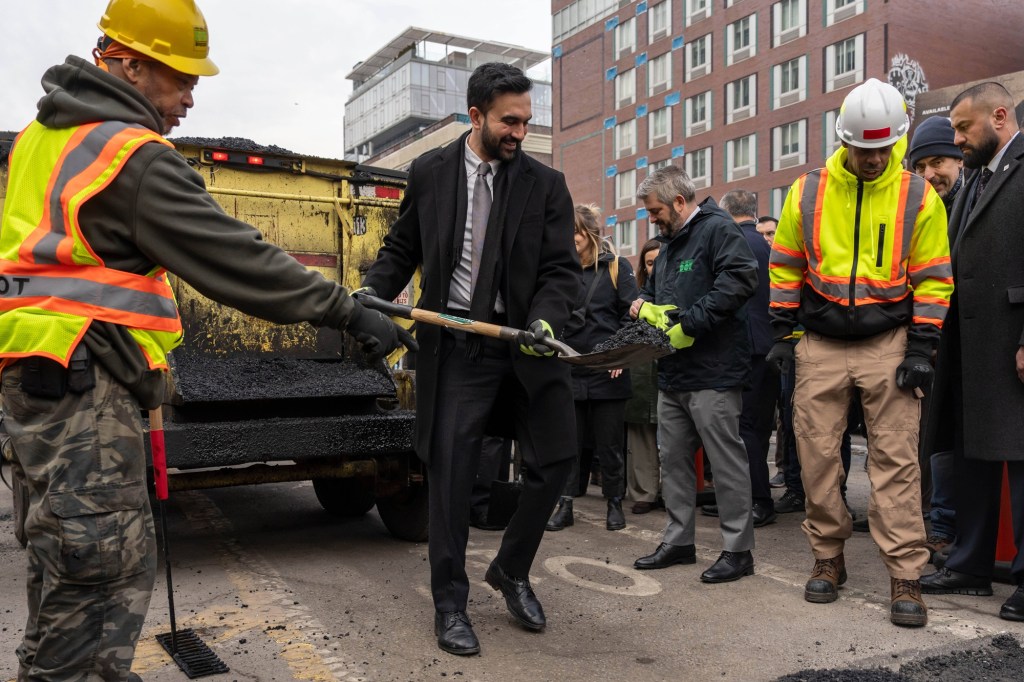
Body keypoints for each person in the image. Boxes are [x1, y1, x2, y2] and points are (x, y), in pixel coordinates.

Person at [0, 1, 415, 679]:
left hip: (41, 382)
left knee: (65, 565)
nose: (191, 95)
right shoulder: (128, 156)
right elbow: (236, 259)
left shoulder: (42, 138)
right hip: (83, 389)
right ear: (128, 64)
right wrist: (347, 310)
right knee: (99, 570)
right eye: (179, 76)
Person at [358, 61, 579, 655]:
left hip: (526, 346)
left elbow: (561, 271)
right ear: (476, 115)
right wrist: (372, 292)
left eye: (527, 122)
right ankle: (451, 605)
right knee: (452, 480)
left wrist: (545, 320)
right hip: (457, 348)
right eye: (509, 121)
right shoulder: (430, 173)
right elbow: (402, 247)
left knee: (556, 461)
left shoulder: (545, 185)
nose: (519, 133)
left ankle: (510, 568)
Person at [767, 78, 952, 627]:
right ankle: (828, 559)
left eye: (881, 148)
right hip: (821, 341)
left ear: (896, 142)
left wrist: (921, 347)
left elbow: (934, 278)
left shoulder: (918, 196)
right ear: (843, 140)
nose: (872, 159)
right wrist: (782, 335)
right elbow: (785, 265)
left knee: (895, 460)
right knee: (816, 454)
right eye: (861, 148)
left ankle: (906, 575)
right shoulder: (807, 191)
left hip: (888, 342)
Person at [920, 82, 1024, 622]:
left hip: (1011, 344)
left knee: (1021, 461)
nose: (957, 139)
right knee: (972, 458)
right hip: (968, 346)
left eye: (964, 128)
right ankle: (970, 564)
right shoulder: (977, 179)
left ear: (1000, 116)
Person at [630, 166, 759, 584]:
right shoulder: (669, 244)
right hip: (674, 372)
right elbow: (656, 291)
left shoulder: (717, 230)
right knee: (674, 461)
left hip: (714, 371)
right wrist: (643, 304)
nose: (652, 219)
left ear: (680, 202)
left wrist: (690, 324)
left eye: (655, 211)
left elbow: (741, 279)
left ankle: (738, 551)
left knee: (725, 463)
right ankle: (679, 541)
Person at [546, 204, 638, 532]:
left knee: (609, 444)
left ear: (589, 233)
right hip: (570, 368)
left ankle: (614, 502)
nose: (570, 239)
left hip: (607, 370)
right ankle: (566, 503)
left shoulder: (617, 268)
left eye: (575, 232)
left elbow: (632, 315)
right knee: (569, 443)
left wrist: (619, 356)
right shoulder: (560, 269)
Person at [907, 115, 965, 561]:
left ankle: (947, 526)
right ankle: (939, 525)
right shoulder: (923, 210)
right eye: (921, 165)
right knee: (936, 442)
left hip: (970, 344)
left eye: (939, 161)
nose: (930, 174)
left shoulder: (972, 200)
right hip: (931, 345)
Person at [702, 189, 777, 527]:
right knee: (758, 428)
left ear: (727, 211)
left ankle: (755, 500)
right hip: (772, 346)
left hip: (742, 346)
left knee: (741, 427)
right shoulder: (768, 246)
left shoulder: (731, 243)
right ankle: (747, 498)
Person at [625, 239, 662, 515]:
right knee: (640, 432)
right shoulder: (636, 296)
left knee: (676, 433)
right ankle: (643, 492)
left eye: (658, 261)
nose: (654, 268)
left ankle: (673, 491)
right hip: (641, 370)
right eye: (649, 263)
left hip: (668, 368)